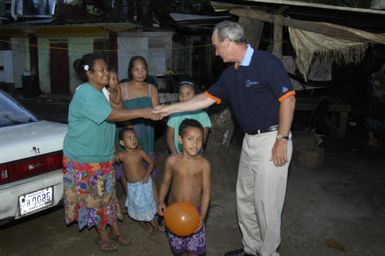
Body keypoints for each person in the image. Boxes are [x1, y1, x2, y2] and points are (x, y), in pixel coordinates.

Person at [154, 20, 296, 256]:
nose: (216, 51)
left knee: (266, 204)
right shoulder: (231, 74)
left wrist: (281, 139)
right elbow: (205, 99)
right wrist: (169, 109)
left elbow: (288, 100)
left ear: (228, 43)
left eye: (217, 46)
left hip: (272, 138)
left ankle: (269, 253)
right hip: (250, 141)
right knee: (245, 199)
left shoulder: (266, 63)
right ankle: (252, 249)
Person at [62, 53, 161, 252]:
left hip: (103, 154)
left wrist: (115, 99)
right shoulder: (85, 92)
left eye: (107, 69)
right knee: (93, 199)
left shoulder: (102, 92)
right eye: (102, 70)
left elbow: (119, 113)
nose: (106, 73)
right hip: (84, 157)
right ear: (89, 74)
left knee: (107, 195)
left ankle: (115, 230)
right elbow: (112, 116)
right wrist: (143, 111)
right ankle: (103, 236)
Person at [158, 119, 211, 256]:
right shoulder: (172, 161)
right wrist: (161, 201)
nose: (195, 143)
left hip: (195, 212)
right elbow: (165, 183)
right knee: (178, 248)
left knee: (195, 251)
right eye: (190, 139)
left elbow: (206, 192)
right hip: (173, 212)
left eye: (199, 139)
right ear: (180, 140)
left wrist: (203, 216)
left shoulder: (204, 164)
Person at [117, 56, 160, 201]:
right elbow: (116, 112)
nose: (140, 72)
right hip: (126, 132)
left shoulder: (151, 89)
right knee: (125, 170)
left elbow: (157, 112)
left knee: (148, 168)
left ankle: (154, 206)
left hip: (146, 132)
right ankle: (134, 202)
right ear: (130, 71)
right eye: (136, 69)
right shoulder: (122, 88)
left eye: (143, 69)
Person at [116, 127, 160, 234]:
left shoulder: (140, 152)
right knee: (136, 206)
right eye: (129, 138)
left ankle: (156, 226)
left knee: (145, 206)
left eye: (134, 137)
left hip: (143, 184)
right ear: (122, 143)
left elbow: (151, 163)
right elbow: (109, 159)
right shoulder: (121, 156)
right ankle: (144, 225)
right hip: (132, 187)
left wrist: (146, 174)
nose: (133, 139)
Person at [167, 81, 212, 156]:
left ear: (195, 96)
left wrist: (195, 154)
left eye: (188, 94)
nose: (184, 97)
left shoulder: (203, 115)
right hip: (177, 154)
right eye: (181, 94)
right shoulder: (174, 114)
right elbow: (170, 136)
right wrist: (175, 154)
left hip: (196, 154)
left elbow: (203, 138)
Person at [366, 67, 385, 147]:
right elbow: (375, 81)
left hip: (379, 112)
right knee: (371, 123)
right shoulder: (376, 80)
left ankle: (373, 139)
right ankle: (371, 139)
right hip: (374, 110)